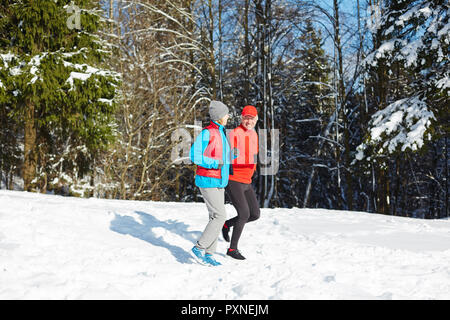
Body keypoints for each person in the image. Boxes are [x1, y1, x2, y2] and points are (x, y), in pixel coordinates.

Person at [189, 100, 231, 266]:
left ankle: (209, 254)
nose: (228, 116)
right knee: (220, 216)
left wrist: (232, 156)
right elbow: (194, 156)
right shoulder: (208, 133)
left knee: (215, 216)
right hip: (208, 179)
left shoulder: (221, 132)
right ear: (220, 117)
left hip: (219, 181)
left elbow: (222, 158)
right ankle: (199, 247)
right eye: (226, 113)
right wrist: (214, 163)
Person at [222, 105, 260, 260]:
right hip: (234, 179)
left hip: (247, 180)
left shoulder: (254, 134)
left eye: (251, 118)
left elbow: (255, 154)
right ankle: (232, 249)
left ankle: (226, 225)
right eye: (246, 117)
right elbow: (233, 157)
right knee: (244, 213)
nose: (248, 121)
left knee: (255, 214)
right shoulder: (235, 134)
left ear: (256, 119)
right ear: (241, 118)